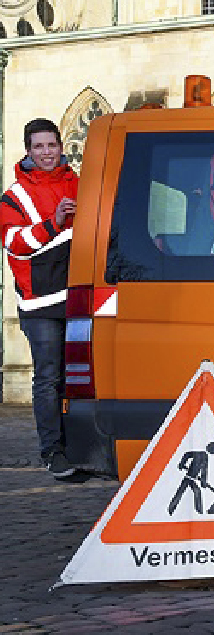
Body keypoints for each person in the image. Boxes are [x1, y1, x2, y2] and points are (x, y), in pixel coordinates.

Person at [0, 119, 79, 479]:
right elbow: (14, 243)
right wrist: (55, 222)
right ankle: (53, 452)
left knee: (76, 378)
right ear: (28, 150)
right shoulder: (13, 196)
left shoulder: (79, 182)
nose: (47, 152)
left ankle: (78, 447)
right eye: (39, 147)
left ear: (61, 146)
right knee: (48, 378)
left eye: (52, 145)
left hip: (79, 294)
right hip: (40, 302)